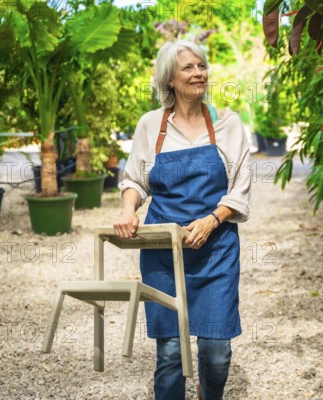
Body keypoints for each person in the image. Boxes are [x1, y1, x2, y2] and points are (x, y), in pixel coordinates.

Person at [114, 40, 251, 400]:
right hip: (163, 251)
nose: (198, 73)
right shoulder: (151, 126)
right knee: (171, 352)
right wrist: (129, 209)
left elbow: (240, 188)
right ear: (169, 80)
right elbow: (135, 181)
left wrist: (211, 220)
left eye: (202, 66)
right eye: (188, 68)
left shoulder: (227, 124)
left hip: (216, 251)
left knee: (216, 354)